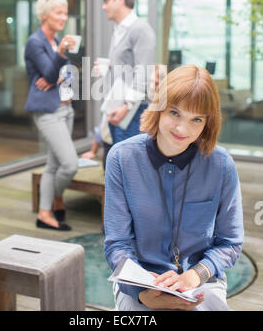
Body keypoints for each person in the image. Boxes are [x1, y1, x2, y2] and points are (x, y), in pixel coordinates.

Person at [104, 65, 244, 311]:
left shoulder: (221, 166)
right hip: (139, 282)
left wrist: (195, 275)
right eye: (175, 113)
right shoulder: (121, 158)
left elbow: (230, 243)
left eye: (196, 119)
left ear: (208, 122)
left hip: (201, 282)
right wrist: (142, 293)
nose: (182, 129)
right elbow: (117, 244)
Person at [24, 0, 78, 231]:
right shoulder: (35, 42)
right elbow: (47, 74)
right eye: (58, 12)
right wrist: (59, 57)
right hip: (48, 111)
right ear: (44, 15)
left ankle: (45, 213)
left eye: (65, 13)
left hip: (66, 109)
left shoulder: (56, 42)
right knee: (70, 164)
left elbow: (62, 75)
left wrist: (57, 72)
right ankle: (56, 197)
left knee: (53, 166)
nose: (63, 17)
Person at [101, 0, 156, 145]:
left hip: (131, 111)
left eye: (106, 1)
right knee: (117, 161)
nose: (104, 7)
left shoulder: (140, 29)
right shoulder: (118, 29)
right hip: (116, 105)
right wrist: (109, 66)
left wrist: (127, 106)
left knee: (130, 164)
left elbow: (143, 71)